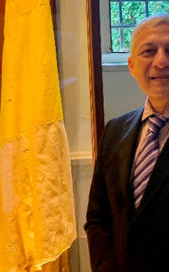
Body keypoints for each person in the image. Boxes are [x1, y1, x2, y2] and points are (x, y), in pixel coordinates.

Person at [85, 14, 169, 272]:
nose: (161, 61)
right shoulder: (115, 130)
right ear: (132, 66)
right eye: (149, 51)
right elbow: (98, 219)